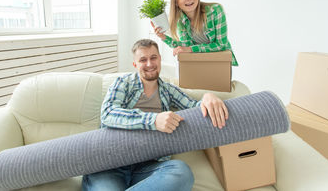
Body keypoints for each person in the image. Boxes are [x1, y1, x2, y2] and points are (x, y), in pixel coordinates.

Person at [82, 39, 228, 191]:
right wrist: (153, 120)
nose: (149, 64)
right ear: (135, 65)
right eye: (143, 60)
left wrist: (208, 97)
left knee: (181, 172)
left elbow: (195, 108)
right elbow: (108, 113)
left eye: (153, 58)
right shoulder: (123, 83)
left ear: (159, 59)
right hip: (111, 165)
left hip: (147, 167)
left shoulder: (168, 90)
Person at [151, 0, 238, 66]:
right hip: (199, 64)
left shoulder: (215, 11)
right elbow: (185, 47)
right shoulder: (180, 21)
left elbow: (221, 45)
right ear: (176, 2)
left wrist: (191, 49)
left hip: (220, 63)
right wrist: (163, 37)